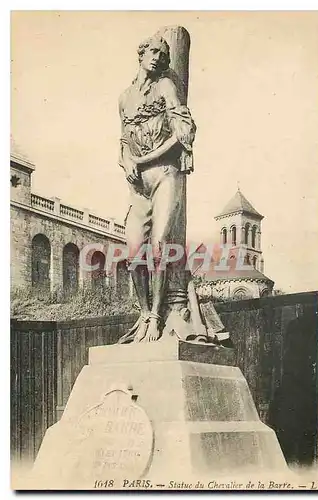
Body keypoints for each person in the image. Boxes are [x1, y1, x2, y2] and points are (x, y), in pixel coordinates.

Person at [118, 34, 196, 343]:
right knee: (134, 249)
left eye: (163, 55)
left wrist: (144, 158)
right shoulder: (124, 97)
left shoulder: (165, 86)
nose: (157, 58)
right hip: (138, 184)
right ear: (140, 54)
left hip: (165, 174)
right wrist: (127, 162)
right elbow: (123, 139)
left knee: (161, 243)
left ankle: (156, 316)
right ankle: (143, 311)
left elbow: (183, 131)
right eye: (152, 51)